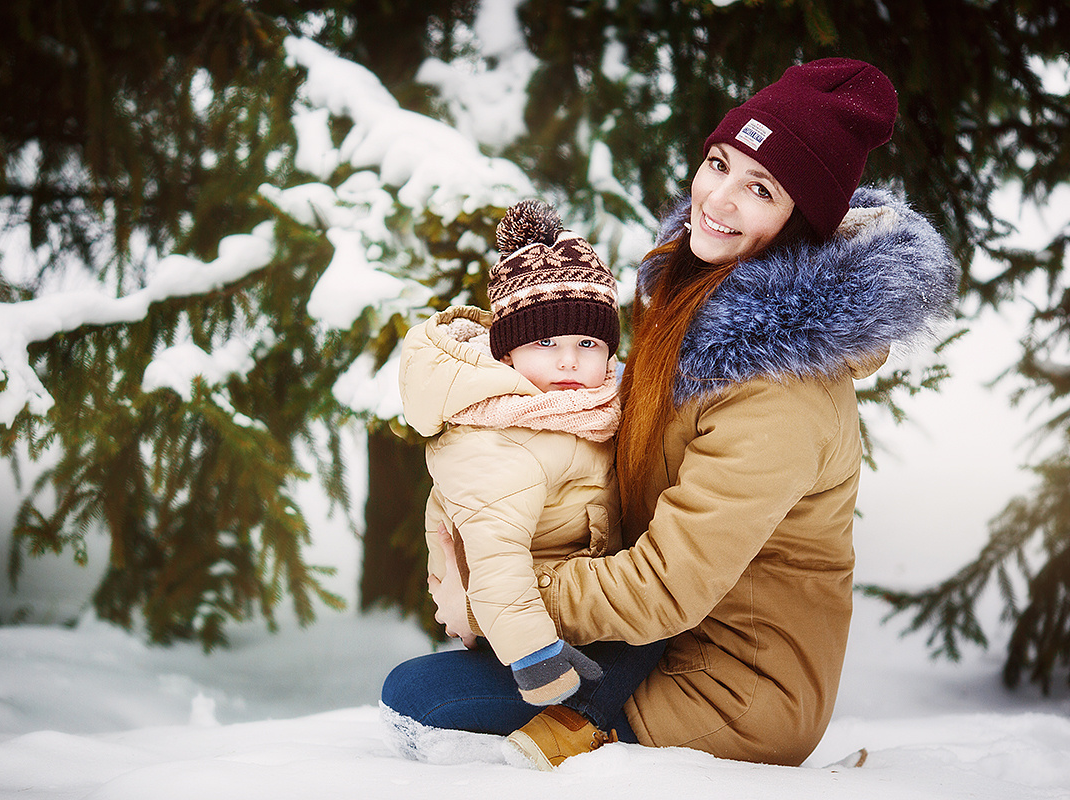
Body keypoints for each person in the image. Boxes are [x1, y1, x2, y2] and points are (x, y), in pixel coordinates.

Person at [381, 57, 960, 769]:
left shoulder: (778, 390)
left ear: (799, 221)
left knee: (420, 695)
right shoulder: (695, 301)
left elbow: (665, 586)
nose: (718, 198)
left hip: (734, 687)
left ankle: (586, 730)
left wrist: (505, 594)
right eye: (718, 162)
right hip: (652, 636)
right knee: (438, 682)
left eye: (760, 188)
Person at [394, 199, 666, 755]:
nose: (568, 362)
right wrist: (534, 654)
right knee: (650, 628)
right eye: (545, 343)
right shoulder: (500, 435)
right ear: (508, 353)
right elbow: (495, 554)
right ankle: (572, 722)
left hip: (568, 600)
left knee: (659, 610)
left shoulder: (586, 411)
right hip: (531, 622)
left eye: (586, 345)